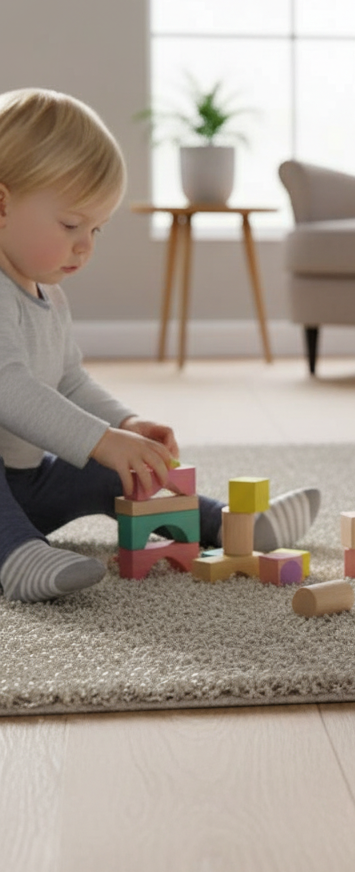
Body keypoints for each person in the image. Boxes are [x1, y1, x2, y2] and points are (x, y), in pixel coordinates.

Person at [0, 88, 319, 602]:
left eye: (97, 229)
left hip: (26, 485)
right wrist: (101, 439)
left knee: (121, 471)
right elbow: (9, 389)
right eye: (71, 224)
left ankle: (231, 526)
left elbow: (70, 380)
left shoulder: (49, 296)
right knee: (100, 453)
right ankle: (16, 556)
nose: (85, 245)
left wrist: (125, 426)